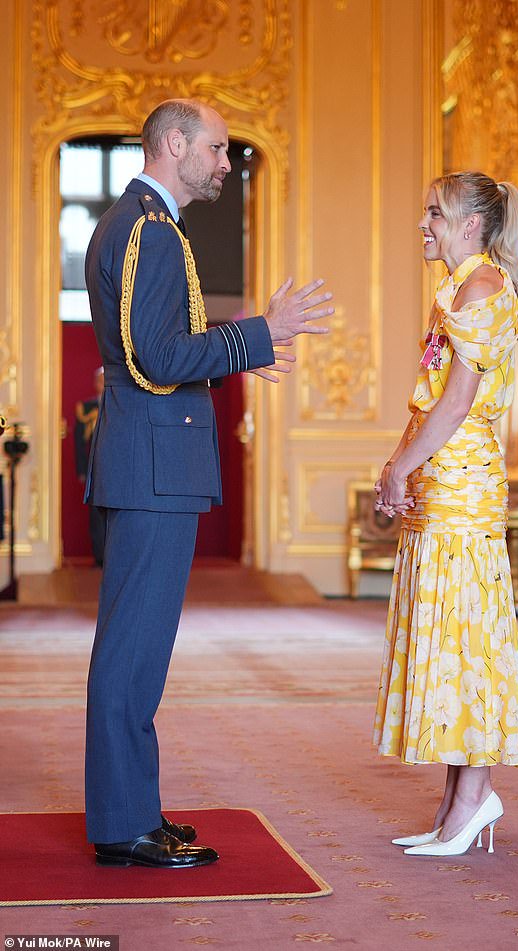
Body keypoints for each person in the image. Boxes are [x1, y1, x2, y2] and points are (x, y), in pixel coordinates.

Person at [83, 99, 333, 869]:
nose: (227, 163)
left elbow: (155, 350)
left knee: (135, 652)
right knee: (133, 653)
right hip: (156, 469)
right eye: (219, 149)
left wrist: (230, 355)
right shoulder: (151, 234)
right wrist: (259, 330)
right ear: (175, 143)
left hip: (148, 462)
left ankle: (132, 811)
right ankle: (124, 826)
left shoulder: (137, 223)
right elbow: (157, 359)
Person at [373, 171, 518, 858]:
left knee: (467, 638)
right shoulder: (461, 289)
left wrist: (402, 468)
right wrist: (396, 464)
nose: (424, 223)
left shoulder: (481, 288)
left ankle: (474, 796)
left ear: (472, 224)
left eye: (434, 213)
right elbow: (427, 401)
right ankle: (453, 805)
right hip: (442, 481)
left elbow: (457, 403)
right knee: (449, 636)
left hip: (463, 489)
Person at [74, 366, 106, 566]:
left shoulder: (124, 405)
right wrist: (81, 469)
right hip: (95, 470)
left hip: (119, 469)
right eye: (101, 380)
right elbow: (79, 442)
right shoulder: (86, 409)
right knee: (95, 515)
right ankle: (99, 556)